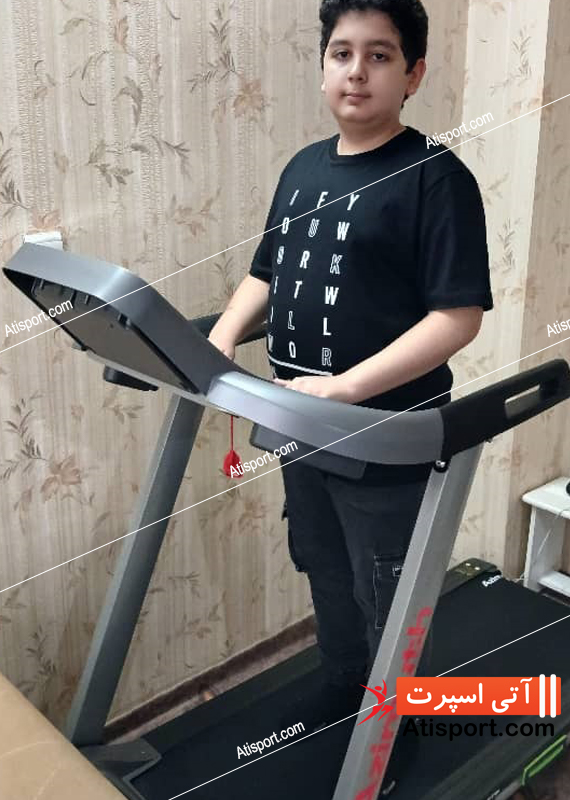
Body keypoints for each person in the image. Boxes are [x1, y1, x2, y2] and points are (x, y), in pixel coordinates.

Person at [209, 0, 492, 747]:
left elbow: (458, 317)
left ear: (413, 75)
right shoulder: (302, 169)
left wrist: (343, 389)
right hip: (298, 422)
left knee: (386, 585)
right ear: (322, 67)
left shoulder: (436, 179)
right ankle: (342, 685)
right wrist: (223, 335)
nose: (357, 71)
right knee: (322, 563)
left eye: (379, 55)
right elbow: (265, 272)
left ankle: (400, 725)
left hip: (385, 435)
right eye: (342, 53)